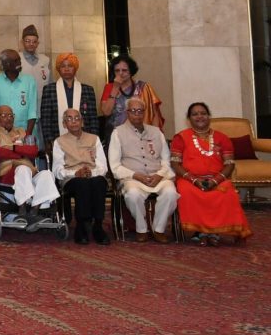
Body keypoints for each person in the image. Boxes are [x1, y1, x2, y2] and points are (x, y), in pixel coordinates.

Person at [170, 102, 251, 245]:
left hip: (217, 179)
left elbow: (229, 164)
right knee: (187, 191)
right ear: (189, 119)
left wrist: (216, 180)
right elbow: (175, 164)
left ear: (209, 116)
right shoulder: (181, 138)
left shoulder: (222, 138)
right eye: (195, 114)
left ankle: (213, 232)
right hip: (189, 179)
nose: (199, 116)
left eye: (203, 113)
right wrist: (194, 180)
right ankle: (202, 232)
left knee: (227, 191)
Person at [108, 100, 177, 243]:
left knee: (171, 193)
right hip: (132, 177)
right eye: (133, 111)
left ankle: (158, 229)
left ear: (144, 113)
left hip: (158, 176)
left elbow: (166, 160)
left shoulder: (156, 132)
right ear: (127, 113)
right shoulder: (118, 133)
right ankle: (141, 229)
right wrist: (135, 175)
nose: (137, 114)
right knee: (133, 195)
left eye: (140, 111)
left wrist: (160, 175)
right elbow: (114, 166)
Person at [0, 105, 58, 230]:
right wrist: (23, 151)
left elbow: (34, 150)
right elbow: (0, 152)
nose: (8, 119)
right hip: (7, 170)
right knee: (23, 169)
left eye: (10, 115)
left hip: (30, 170)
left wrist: (13, 148)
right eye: (3, 115)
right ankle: (22, 210)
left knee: (47, 174)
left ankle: (34, 212)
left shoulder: (21, 131)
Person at [52, 107, 110, 245]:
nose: (74, 122)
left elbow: (102, 165)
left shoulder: (94, 139)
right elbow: (57, 170)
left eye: (77, 118)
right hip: (71, 177)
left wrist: (92, 172)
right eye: (69, 119)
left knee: (99, 182)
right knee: (82, 183)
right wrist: (75, 173)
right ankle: (82, 225)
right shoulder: (59, 142)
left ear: (82, 122)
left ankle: (98, 225)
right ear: (64, 124)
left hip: (93, 174)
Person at [40, 53, 98, 147]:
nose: (66, 69)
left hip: (84, 140)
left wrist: (93, 140)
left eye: (70, 66)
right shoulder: (49, 89)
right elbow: (46, 119)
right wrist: (49, 142)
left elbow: (93, 119)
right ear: (59, 69)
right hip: (57, 138)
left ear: (75, 68)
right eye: (63, 66)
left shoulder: (87, 90)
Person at [100, 54, 164, 135]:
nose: (120, 73)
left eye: (124, 70)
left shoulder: (143, 87)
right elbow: (106, 112)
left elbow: (154, 115)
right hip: (116, 135)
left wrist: (156, 135)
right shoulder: (109, 87)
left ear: (131, 71)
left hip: (141, 134)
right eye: (117, 70)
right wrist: (115, 88)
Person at [0, 49, 38, 139]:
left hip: (24, 132)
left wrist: (28, 135)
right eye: (15, 61)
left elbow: (32, 111)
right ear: (5, 64)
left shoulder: (29, 80)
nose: (19, 63)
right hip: (0, 134)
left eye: (19, 59)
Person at [18, 25, 51, 89]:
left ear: (38, 43)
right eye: (28, 41)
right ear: (22, 42)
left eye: (34, 41)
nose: (31, 44)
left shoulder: (45, 60)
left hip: (42, 98)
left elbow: (50, 82)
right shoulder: (17, 59)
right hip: (22, 98)